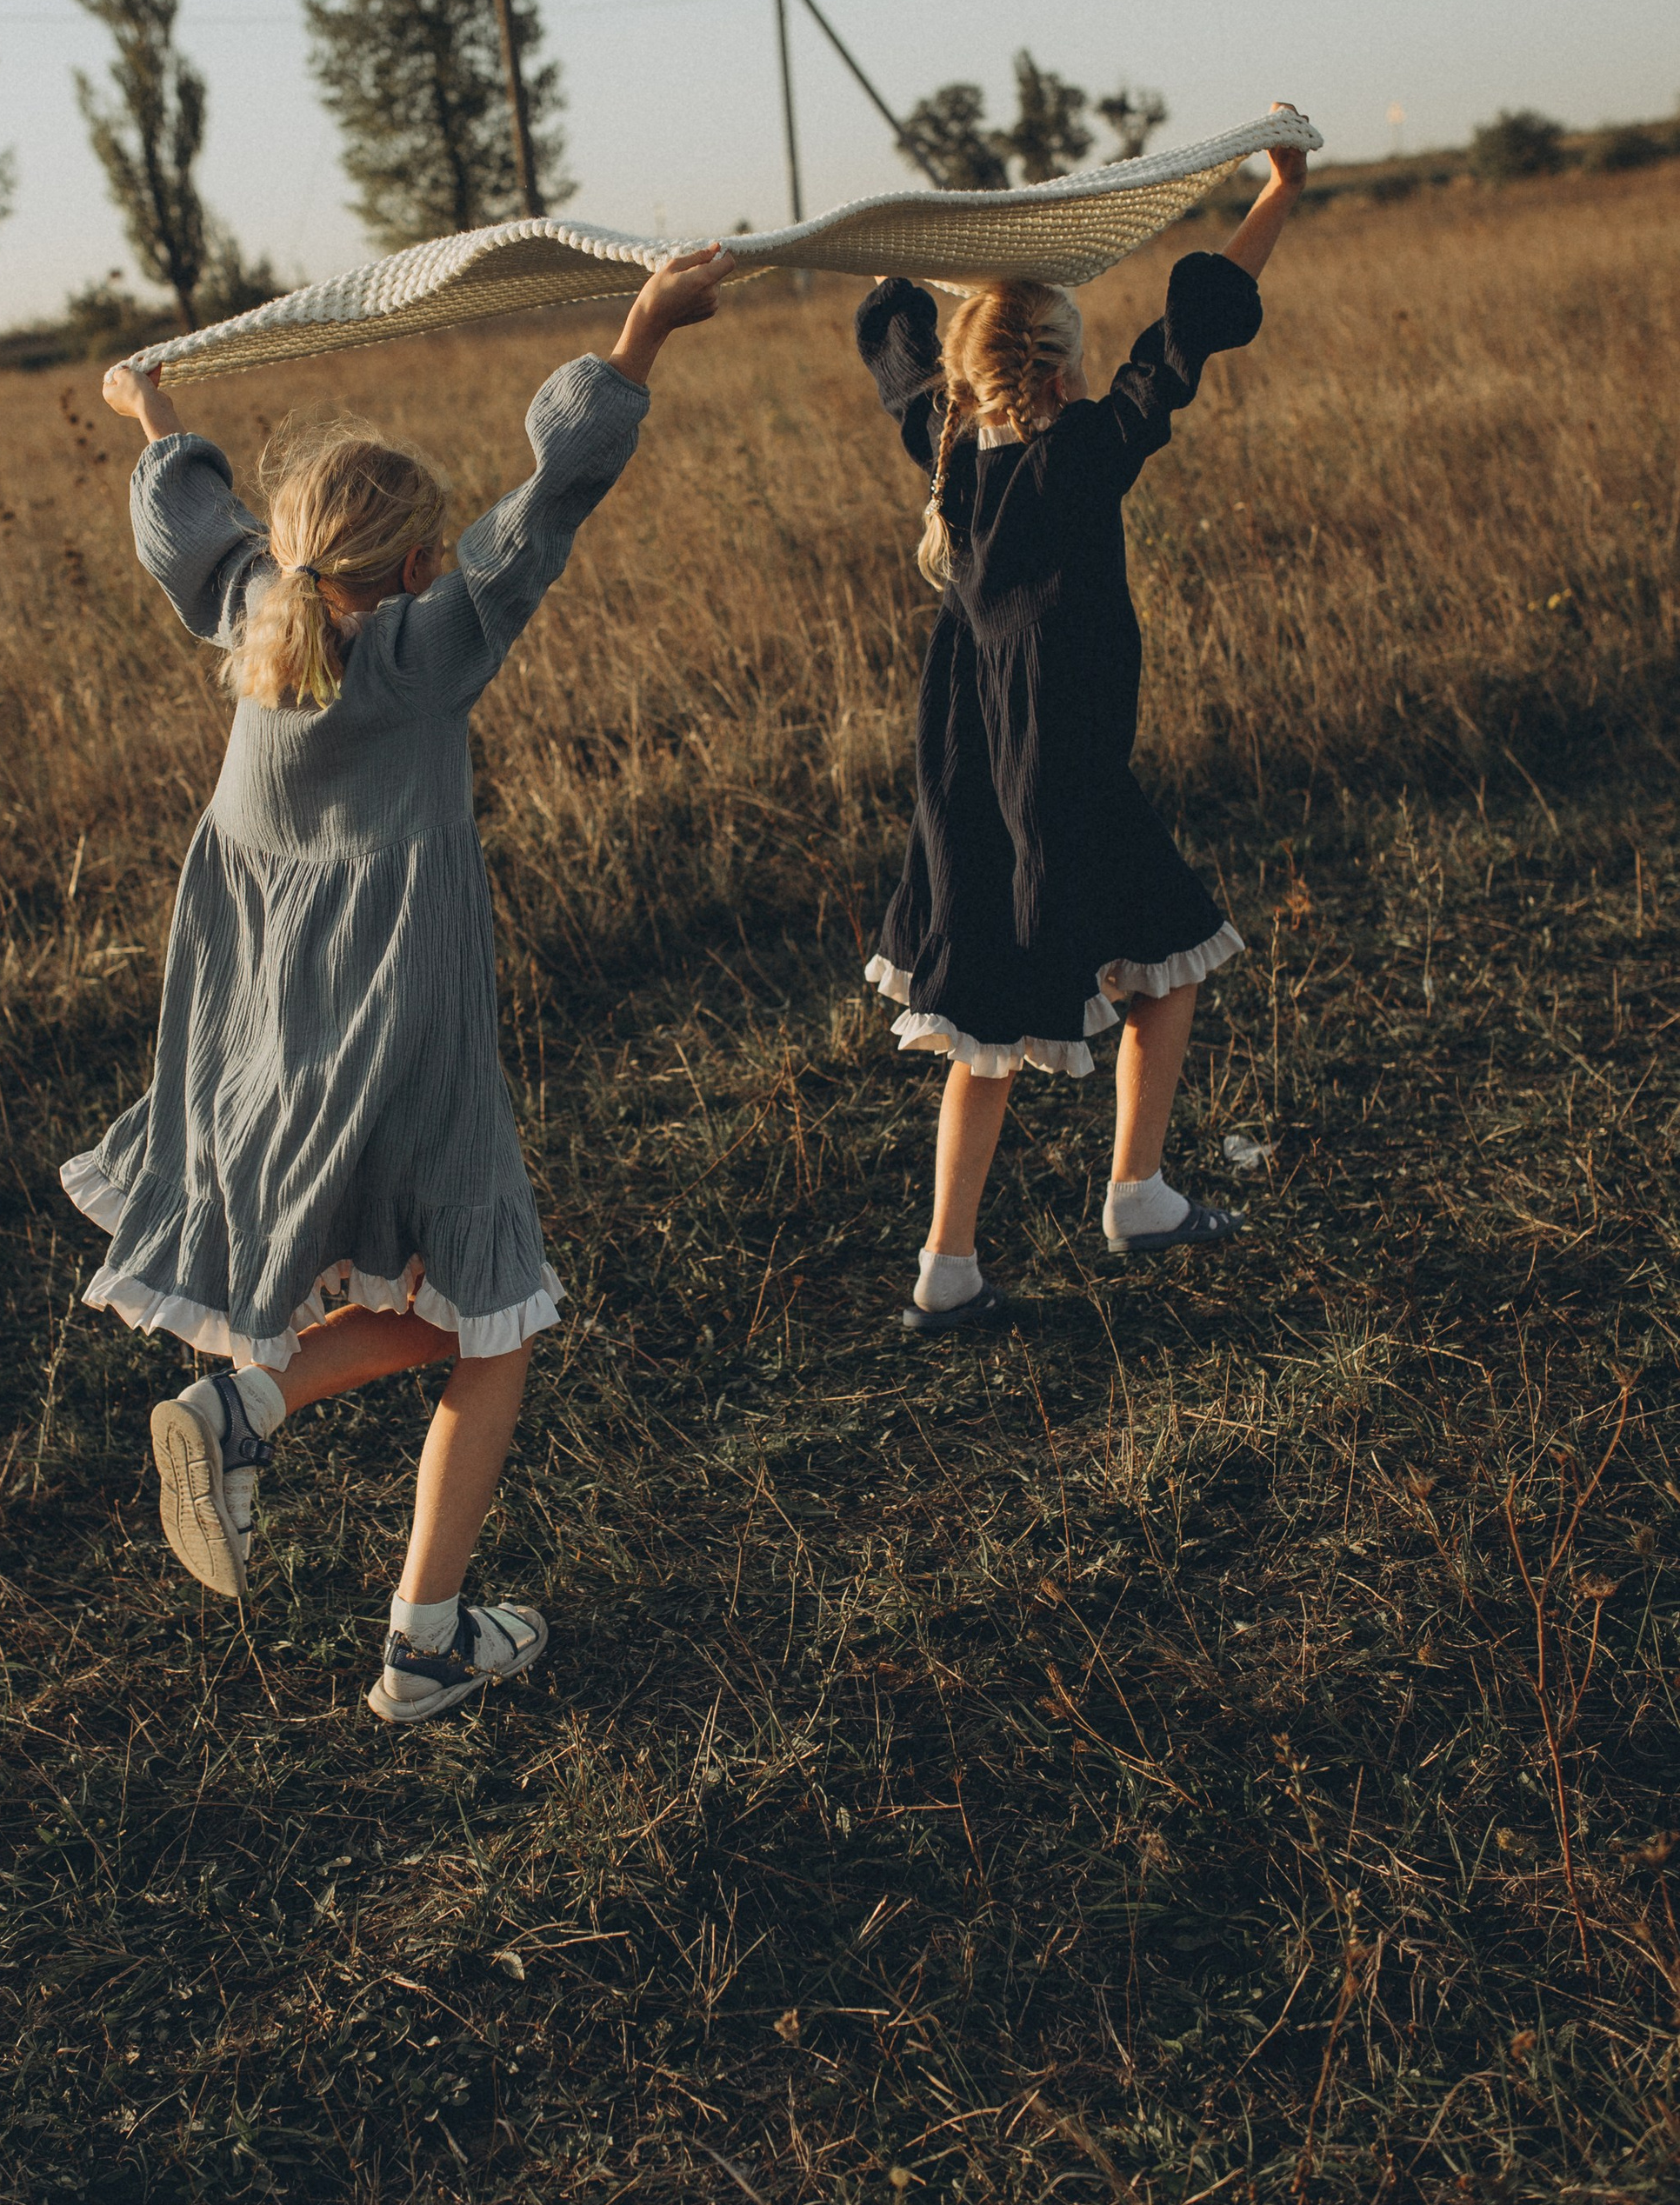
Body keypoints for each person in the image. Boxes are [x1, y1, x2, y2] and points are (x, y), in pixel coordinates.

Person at [63, 245, 730, 1722]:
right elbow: (547, 503)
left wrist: (151, 402)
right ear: (420, 563)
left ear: (295, 548)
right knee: (491, 1324)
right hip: (405, 1029)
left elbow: (188, 520)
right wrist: (639, 328)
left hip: (261, 1029)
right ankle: (392, 1596)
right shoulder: (427, 650)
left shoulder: (253, 614)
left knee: (433, 1300)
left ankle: (301, 1466)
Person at [854, 107, 1309, 1322]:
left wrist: (900, 246)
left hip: (970, 784)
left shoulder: (943, 448)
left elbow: (893, 332)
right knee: (1131, 976)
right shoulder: (1084, 452)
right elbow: (1191, 329)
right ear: (1060, 365)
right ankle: (1091, 1213)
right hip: (1065, 785)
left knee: (1009, 1018)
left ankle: (1015, 1241)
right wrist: (1280, 190)